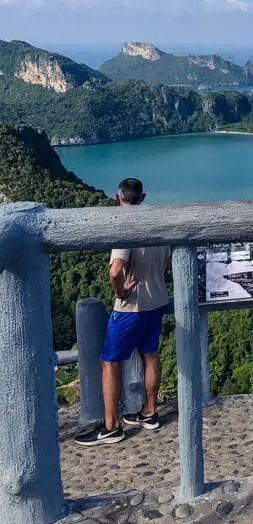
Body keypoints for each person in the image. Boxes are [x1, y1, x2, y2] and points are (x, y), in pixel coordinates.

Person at [75, 178, 171, 446]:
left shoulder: (124, 227)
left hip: (131, 307)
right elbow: (169, 265)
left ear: (118, 198)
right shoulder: (158, 227)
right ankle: (149, 413)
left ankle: (111, 426)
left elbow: (115, 270)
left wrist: (120, 292)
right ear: (142, 198)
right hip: (157, 302)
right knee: (150, 355)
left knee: (110, 362)